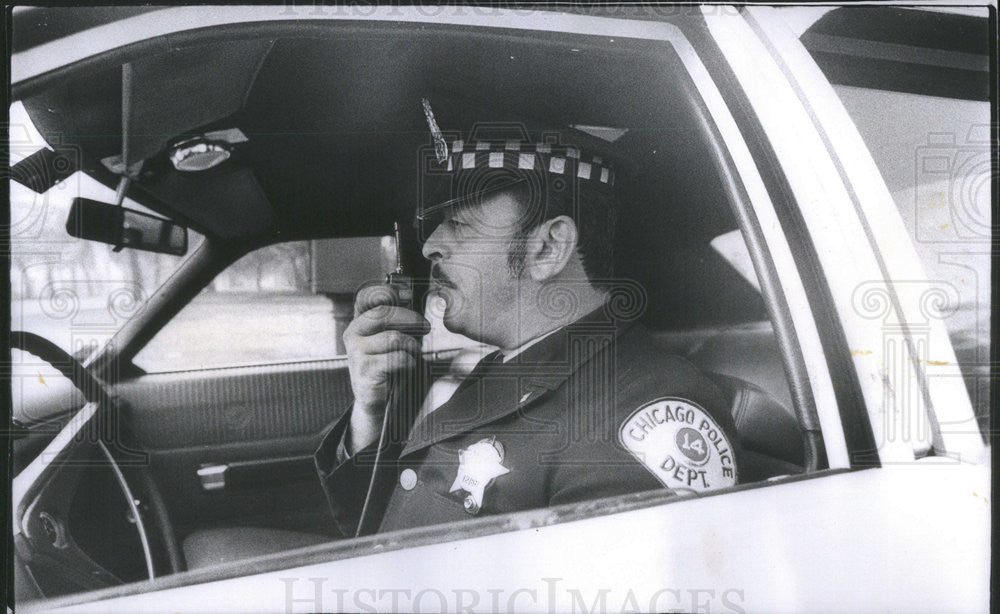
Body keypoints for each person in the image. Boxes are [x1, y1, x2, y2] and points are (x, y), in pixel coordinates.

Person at [314, 135, 744, 538]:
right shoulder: (512, 363)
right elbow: (388, 533)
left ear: (548, 248)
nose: (431, 246)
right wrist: (372, 413)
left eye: (460, 223)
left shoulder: (642, 420)